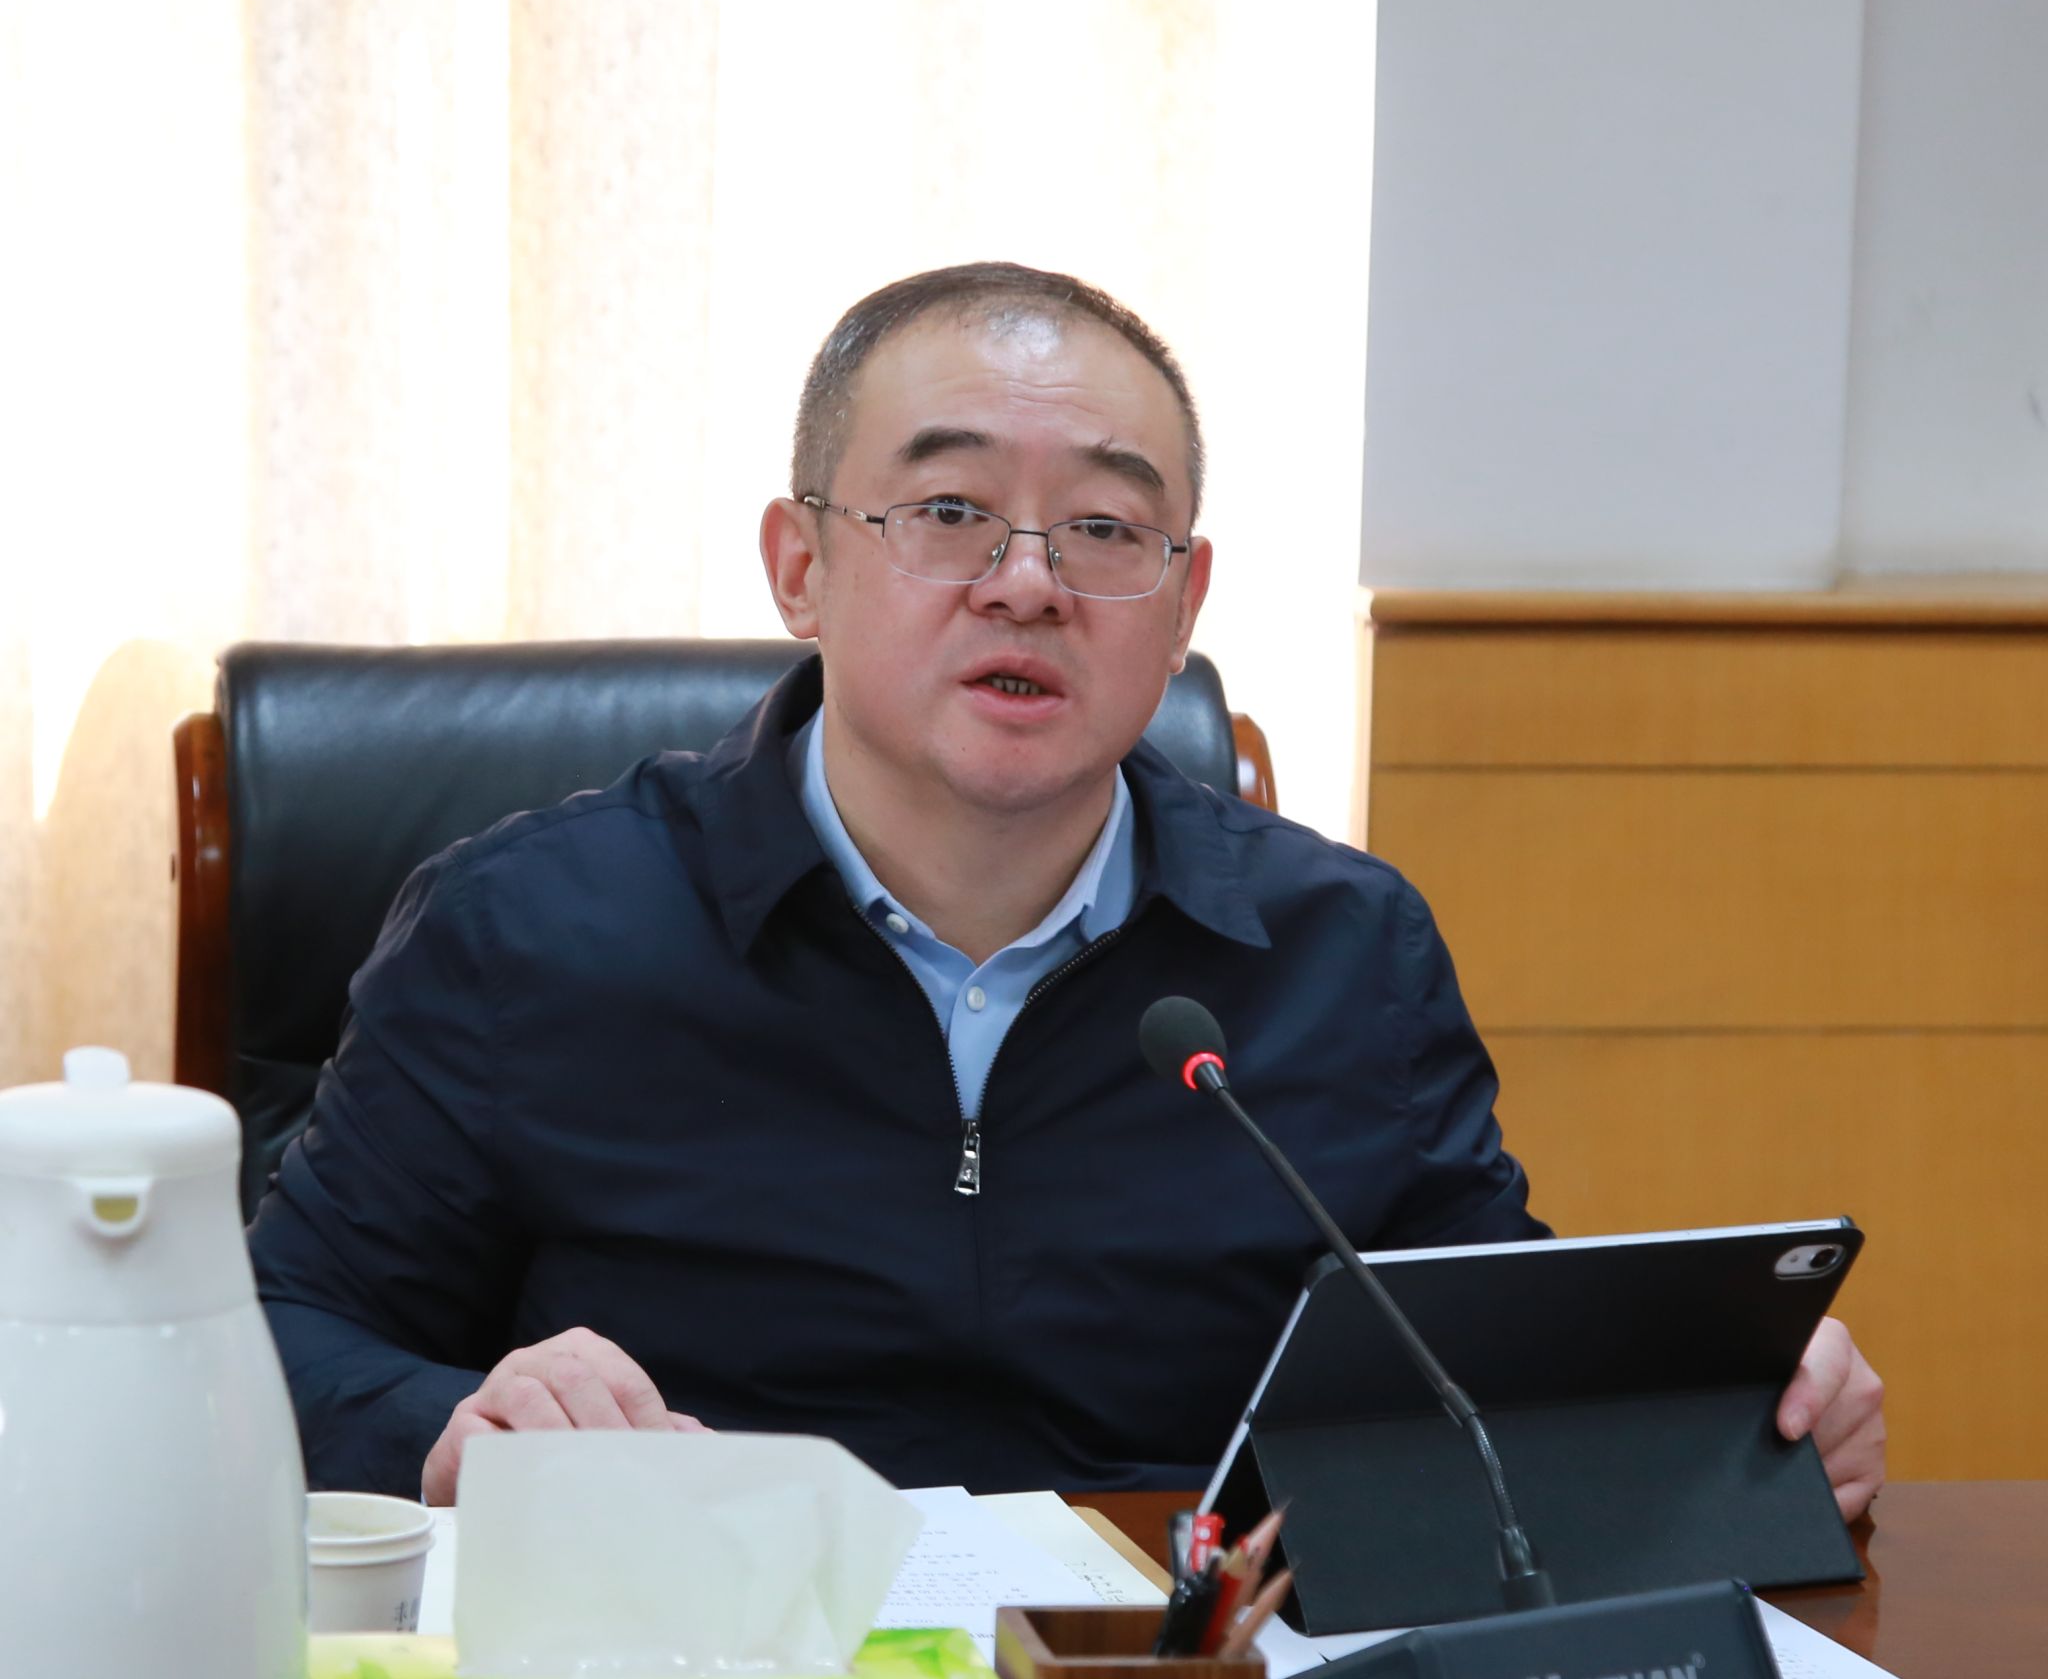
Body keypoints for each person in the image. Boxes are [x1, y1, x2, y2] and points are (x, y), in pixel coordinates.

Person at [251, 262, 1886, 1520]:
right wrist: (453, 1426)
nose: (1027, 583)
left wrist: (1730, 1409)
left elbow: (1479, 1368)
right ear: (801, 565)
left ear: (1182, 604)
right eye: (950, 511)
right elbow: (265, 1332)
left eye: (1106, 528)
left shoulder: (1343, 954)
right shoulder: (529, 931)